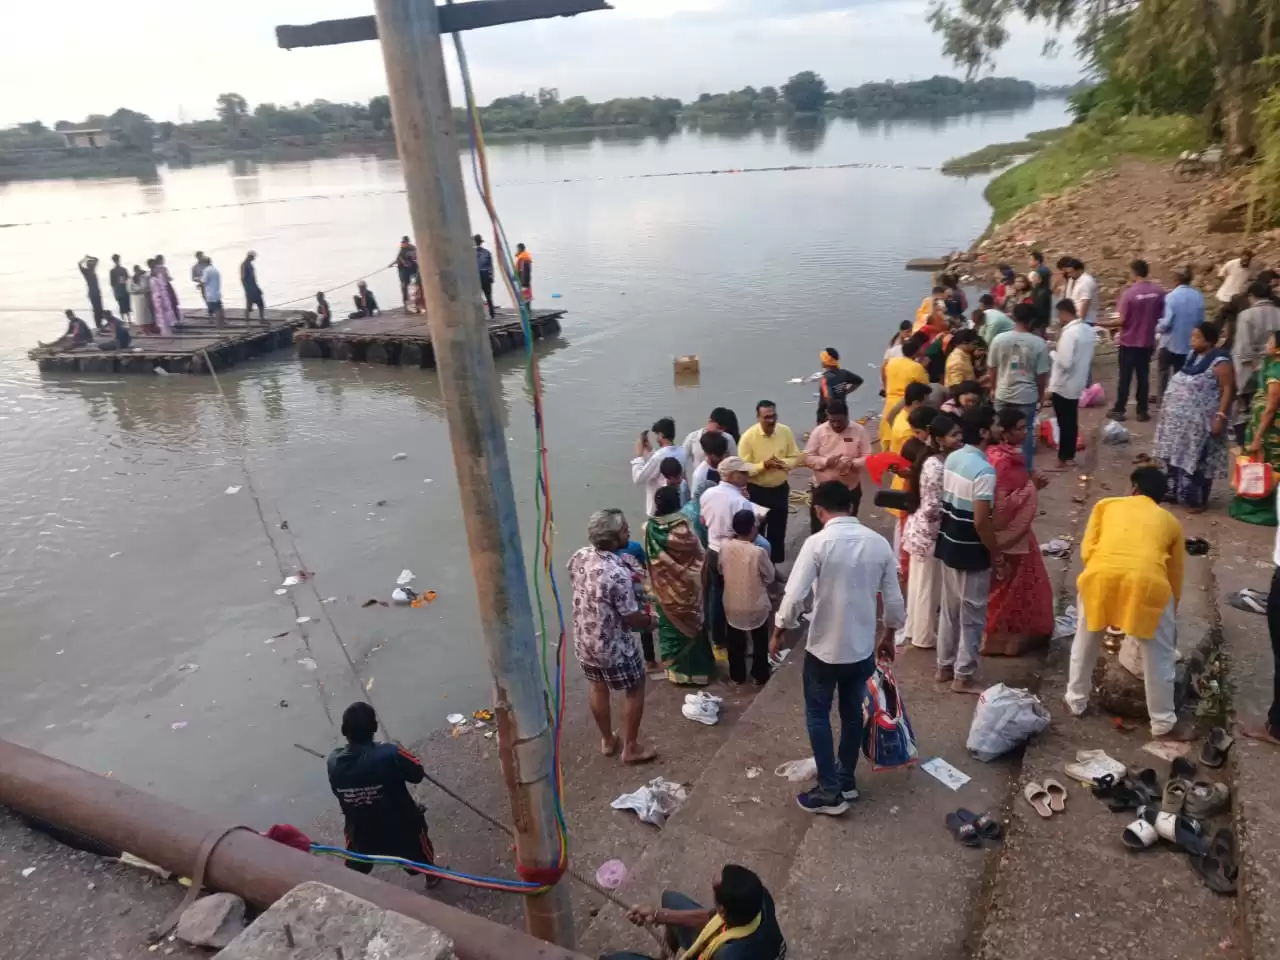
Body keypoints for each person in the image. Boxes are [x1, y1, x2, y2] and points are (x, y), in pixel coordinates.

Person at [772, 480, 903, 815]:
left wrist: (778, 630)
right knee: (851, 714)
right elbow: (893, 600)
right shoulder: (879, 544)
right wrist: (888, 635)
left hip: (824, 649)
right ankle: (846, 780)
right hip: (860, 648)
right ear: (853, 507)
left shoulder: (817, 543)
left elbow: (794, 596)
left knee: (818, 713)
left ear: (818, 511)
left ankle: (829, 791)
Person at [1066, 467, 1187, 738]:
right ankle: (1163, 723)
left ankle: (1076, 701)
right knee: (1160, 657)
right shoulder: (1170, 522)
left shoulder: (1105, 505)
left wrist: (1104, 574)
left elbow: (1087, 550)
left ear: (1134, 489)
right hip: (1147, 584)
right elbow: (1175, 574)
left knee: (1085, 641)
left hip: (1099, 577)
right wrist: (1169, 609)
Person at [568, 509, 659, 764]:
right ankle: (630, 747)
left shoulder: (579, 556)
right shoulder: (616, 572)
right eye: (624, 530)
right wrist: (651, 622)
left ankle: (608, 740)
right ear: (614, 537)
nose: (628, 532)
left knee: (597, 686)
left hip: (586, 640)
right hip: (614, 646)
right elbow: (631, 615)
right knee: (635, 687)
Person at [326, 701, 438, 885]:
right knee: (419, 846)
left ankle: (352, 886)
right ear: (375, 727)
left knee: (355, 860)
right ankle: (432, 876)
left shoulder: (333, 761)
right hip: (401, 828)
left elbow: (337, 793)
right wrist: (399, 750)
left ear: (344, 731)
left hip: (361, 830)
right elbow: (417, 773)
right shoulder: (390, 753)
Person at [935, 405, 998, 695]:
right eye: (993, 425)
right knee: (972, 614)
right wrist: (994, 551)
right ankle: (963, 675)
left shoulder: (953, 458)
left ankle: (944, 666)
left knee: (949, 610)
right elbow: (981, 519)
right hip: (971, 548)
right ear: (984, 432)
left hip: (948, 541)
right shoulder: (985, 470)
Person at [980, 408, 1053, 656]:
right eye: (1020, 429)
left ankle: (1010, 639)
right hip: (1008, 535)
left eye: (1026, 428)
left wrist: (1029, 482)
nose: (1025, 433)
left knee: (1022, 587)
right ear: (1006, 432)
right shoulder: (1000, 462)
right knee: (1006, 590)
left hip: (1018, 532)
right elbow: (1000, 507)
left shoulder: (1007, 456)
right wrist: (1032, 488)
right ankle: (994, 641)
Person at [614, 865, 786, 960]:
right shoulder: (760, 896)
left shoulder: (728, 954)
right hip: (767, 950)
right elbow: (713, 918)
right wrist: (659, 915)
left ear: (723, 911)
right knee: (670, 899)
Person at [1153, 321, 1233, 511]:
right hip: (1178, 424)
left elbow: (1228, 390)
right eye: (1192, 336)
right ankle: (1174, 491)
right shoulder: (1192, 357)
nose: (1192, 340)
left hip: (1201, 424)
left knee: (1198, 460)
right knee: (1174, 456)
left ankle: (1195, 499)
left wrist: (1220, 417)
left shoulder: (1221, 362)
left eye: (1197, 337)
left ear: (1210, 340)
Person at [902, 412, 962, 650]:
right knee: (928, 586)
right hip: (930, 532)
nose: (959, 438)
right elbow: (933, 506)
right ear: (939, 439)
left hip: (921, 530)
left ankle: (915, 629)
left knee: (920, 584)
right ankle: (924, 636)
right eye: (954, 435)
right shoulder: (936, 465)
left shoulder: (932, 461)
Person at [643, 485, 714, 686]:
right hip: (688, 592)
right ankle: (698, 673)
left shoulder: (648, 528)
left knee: (671, 631)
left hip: (664, 590)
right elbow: (700, 557)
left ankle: (677, 673)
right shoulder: (684, 529)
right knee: (692, 629)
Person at [739, 402, 802, 564]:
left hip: (780, 490)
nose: (771, 420)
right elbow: (743, 468)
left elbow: (796, 457)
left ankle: (774, 568)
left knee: (778, 531)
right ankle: (756, 566)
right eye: (766, 417)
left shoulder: (785, 431)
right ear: (758, 418)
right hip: (757, 492)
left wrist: (783, 463)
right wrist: (763, 466)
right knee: (756, 531)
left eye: (773, 416)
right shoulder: (748, 438)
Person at [988, 302, 1050, 467]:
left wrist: (993, 388)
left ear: (1014, 318)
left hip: (1003, 393)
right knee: (1025, 434)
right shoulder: (1039, 344)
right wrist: (1041, 396)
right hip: (1026, 396)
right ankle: (1025, 470)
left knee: (1001, 432)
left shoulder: (998, 340)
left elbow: (992, 369)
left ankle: (1000, 467)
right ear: (1032, 321)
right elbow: (1041, 376)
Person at [720, 509, 775, 686]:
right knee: (760, 641)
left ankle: (737, 676)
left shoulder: (725, 547)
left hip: (731, 602)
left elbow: (721, 570)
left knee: (735, 642)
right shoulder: (758, 552)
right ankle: (760, 675)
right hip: (755, 604)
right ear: (752, 528)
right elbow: (770, 576)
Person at [1107, 259, 1166, 422]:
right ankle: (1142, 411)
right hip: (1146, 341)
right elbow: (1162, 315)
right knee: (1143, 376)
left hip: (1128, 342)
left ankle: (1120, 409)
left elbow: (1121, 320)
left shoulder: (1129, 293)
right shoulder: (1158, 292)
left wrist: (1100, 324)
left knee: (1125, 378)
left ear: (1133, 273)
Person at [1232, 329, 1280, 526]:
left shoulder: (1277, 372)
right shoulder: (1271, 364)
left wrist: (1258, 436)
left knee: (1267, 464)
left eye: (1270, 342)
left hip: (1270, 430)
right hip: (1261, 424)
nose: (1266, 345)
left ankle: (1264, 507)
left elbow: (1271, 408)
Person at [804, 398, 870, 528]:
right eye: (832, 421)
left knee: (847, 527)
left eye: (839, 421)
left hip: (849, 489)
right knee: (819, 528)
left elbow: (868, 457)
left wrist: (852, 463)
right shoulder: (819, 431)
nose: (835, 425)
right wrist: (826, 461)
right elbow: (807, 457)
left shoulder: (859, 431)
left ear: (847, 416)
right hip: (823, 490)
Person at [1048, 299, 1096, 470]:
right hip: (1078, 382)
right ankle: (1069, 456)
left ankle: (1063, 457)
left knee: (1064, 422)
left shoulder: (1069, 333)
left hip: (1063, 384)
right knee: (1071, 420)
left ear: (1063, 313)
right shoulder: (1088, 330)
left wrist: (1052, 352)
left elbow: (1066, 362)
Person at [1233, 280, 1280, 424]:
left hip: (1252, 366)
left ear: (1252, 296)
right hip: (1275, 364)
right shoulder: (1278, 312)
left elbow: (1243, 345)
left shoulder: (1246, 315)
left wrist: (1249, 366)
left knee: (1251, 406)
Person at [1158, 266, 1206, 395]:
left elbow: (1167, 323)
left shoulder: (1171, 297)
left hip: (1170, 342)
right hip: (1189, 344)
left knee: (1163, 373)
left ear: (1177, 279)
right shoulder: (1198, 297)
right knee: (1183, 376)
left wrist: (1158, 327)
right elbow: (1201, 322)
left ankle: (1162, 400)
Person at [880, 334, 929, 447]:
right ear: (916, 352)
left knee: (887, 436)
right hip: (905, 404)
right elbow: (924, 386)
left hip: (889, 401)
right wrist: (924, 367)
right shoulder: (916, 367)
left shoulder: (892, 362)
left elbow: (884, 373)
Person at [631, 417, 684, 518]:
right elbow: (663, 461)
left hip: (658, 508)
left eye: (656, 435)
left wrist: (638, 456)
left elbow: (638, 479)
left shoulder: (658, 457)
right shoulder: (682, 452)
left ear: (661, 435)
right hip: (676, 505)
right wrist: (650, 450)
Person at [682, 408, 740, 473]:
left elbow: (735, 463)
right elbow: (682, 460)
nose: (721, 432)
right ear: (710, 421)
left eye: (723, 430)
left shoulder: (728, 438)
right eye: (719, 428)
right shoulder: (692, 438)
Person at [815, 347, 863, 424]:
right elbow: (859, 381)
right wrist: (847, 391)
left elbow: (828, 397)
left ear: (825, 362)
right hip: (843, 412)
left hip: (827, 416)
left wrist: (829, 416)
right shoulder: (844, 373)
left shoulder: (825, 378)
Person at [691, 430, 730, 502]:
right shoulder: (700, 474)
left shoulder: (729, 466)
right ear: (707, 453)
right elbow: (695, 500)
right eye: (718, 455)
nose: (722, 458)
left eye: (723, 453)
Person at [150, 258, 180, 336]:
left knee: (167, 310)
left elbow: (163, 284)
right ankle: (165, 329)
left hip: (162, 295)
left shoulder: (157, 275)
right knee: (161, 312)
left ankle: (169, 326)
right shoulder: (153, 277)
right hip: (158, 296)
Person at [472, 234, 496, 320]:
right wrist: (492, 276)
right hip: (486, 275)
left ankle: (479, 315)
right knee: (488, 296)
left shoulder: (471, 253)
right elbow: (491, 266)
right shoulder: (487, 252)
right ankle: (492, 314)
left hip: (477, 276)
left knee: (477, 297)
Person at [78, 255, 104, 329]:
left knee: (100, 308)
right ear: (89, 265)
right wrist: (85, 259)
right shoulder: (86, 272)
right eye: (91, 264)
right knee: (96, 309)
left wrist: (89, 257)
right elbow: (79, 264)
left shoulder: (92, 270)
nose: (93, 265)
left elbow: (97, 259)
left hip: (97, 291)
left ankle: (100, 323)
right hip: (92, 293)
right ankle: (98, 324)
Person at [392, 236, 418, 307]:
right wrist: (393, 263)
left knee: (410, 285)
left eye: (404, 242)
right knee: (404, 285)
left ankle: (411, 301)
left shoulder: (412, 249)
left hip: (409, 270)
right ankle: (406, 302)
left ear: (407, 242)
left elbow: (414, 259)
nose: (403, 243)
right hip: (404, 270)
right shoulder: (402, 249)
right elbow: (399, 258)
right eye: (402, 242)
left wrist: (407, 263)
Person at [129, 265, 155, 334]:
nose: (138, 272)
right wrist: (138, 291)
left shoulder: (144, 278)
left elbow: (148, 287)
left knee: (146, 313)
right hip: (137, 298)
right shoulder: (131, 279)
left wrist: (146, 291)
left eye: (139, 270)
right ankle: (143, 328)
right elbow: (129, 290)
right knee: (140, 313)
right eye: (136, 270)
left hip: (144, 297)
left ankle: (149, 327)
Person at [242, 251, 266, 322]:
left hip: (252, 288)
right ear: (250, 256)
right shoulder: (245, 265)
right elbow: (243, 278)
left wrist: (256, 288)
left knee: (254, 305)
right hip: (251, 289)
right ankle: (259, 319)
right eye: (253, 257)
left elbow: (252, 278)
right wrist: (248, 288)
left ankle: (256, 319)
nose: (254, 258)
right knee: (257, 305)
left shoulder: (248, 264)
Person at [202, 256, 225, 326]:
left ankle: (218, 326)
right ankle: (221, 324)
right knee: (219, 309)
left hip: (210, 294)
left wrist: (200, 286)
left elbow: (204, 281)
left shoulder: (206, 270)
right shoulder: (215, 269)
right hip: (217, 292)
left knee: (216, 310)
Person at [108, 254, 131, 322]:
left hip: (124, 288)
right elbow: (112, 283)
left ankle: (129, 320)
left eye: (117, 260)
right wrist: (114, 293)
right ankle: (124, 320)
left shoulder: (123, 269)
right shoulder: (112, 271)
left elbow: (128, 279)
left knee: (127, 304)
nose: (117, 261)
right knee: (121, 305)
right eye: (116, 260)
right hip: (119, 290)